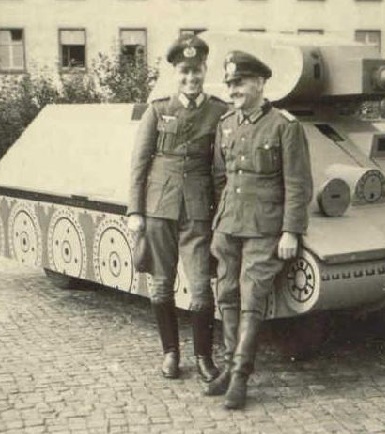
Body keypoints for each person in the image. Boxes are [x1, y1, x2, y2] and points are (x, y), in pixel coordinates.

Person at [204, 50, 313, 409]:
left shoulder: (284, 125)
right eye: (230, 83)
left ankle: (240, 376)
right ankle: (228, 365)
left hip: (264, 228)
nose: (233, 90)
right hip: (229, 225)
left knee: (252, 300)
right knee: (226, 295)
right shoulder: (226, 123)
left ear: (261, 83)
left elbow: (297, 184)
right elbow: (221, 178)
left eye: (240, 83)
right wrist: (220, 221)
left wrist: (291, 231)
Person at [127, 34, 228, 382]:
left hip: (198, 211)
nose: (191, 78)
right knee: (161, 285)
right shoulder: (157, 110)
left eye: (196, 71)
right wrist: (135, 211)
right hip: (159, 209)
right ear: (175, 73)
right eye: (184, 71)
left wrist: (221, 214)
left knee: (201, 287)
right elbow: (139, 165)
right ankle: (170, 353)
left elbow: (221, 170)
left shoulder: (218, 112)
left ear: (205, 70)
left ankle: (203, 357)